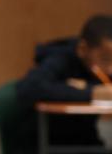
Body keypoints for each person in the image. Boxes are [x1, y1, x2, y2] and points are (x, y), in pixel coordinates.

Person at [16, 15, 112, 148]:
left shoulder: (104, 69)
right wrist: (92, 92)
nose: (110, 69)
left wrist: (87, 88)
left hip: (87, 141)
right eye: (105, 59)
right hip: (48, 142)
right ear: (83, 49)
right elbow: (29, 88)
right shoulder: (60, 58)